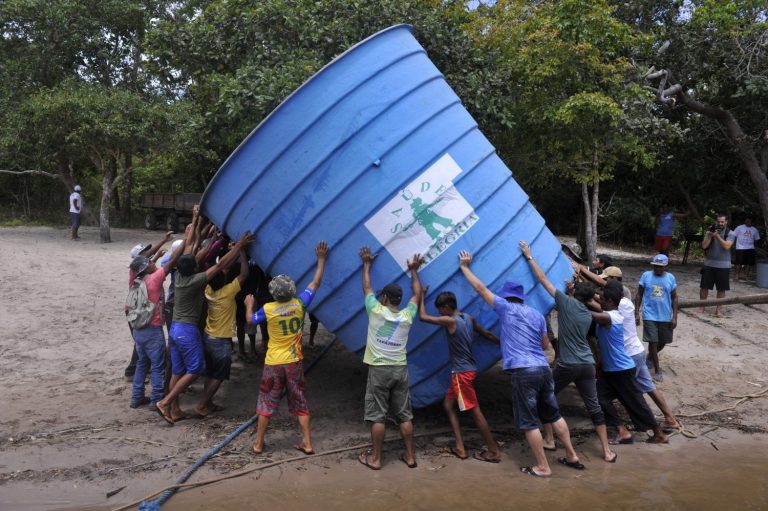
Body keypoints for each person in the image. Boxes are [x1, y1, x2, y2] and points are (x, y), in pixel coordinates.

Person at [458, 250, 584, 477]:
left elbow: (481, 289)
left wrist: (466, 268)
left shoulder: (505, 308)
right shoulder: (536, 315)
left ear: (506, 297)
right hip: (543, 368)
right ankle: (572, 455)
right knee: (554, 414)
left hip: (523, 372)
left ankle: (543, 467)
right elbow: (546, 345)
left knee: (528, 421)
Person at [520, 241, 617, 463]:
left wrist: (529, 256)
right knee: (593, 405)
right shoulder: (588, 313)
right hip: (587, 363)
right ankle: (606, 451)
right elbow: (593, 301)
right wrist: (576, 285)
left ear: (572, 294)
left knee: (546, 397)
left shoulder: (565, 303)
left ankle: (550, 439)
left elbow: (542, 280)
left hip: (568, 364)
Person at [154, 224, 251, 425]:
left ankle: (175, 409)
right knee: (196, 369)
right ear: (195, 269)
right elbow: (218, 265)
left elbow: (191, 249)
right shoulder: (195, 281)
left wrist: (203, 232)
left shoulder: (179, 275)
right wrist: (239, 245)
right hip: (187, 331)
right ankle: (166, 402)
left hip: (175, 329)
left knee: (178, 370)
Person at [245, 241, 329, 456]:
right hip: (294, 362)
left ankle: (258, 444)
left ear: (273, 294)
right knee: (300, 400)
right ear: (292, 291)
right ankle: (307, 443)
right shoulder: (300, 304)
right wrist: (321, 259)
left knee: (266, 402)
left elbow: (250, 321)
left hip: (273, 362)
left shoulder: (269, 309)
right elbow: (316, 283)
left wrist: (248, 304)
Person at [581, 269, 680, 436]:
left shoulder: (620, 306)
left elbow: (598, 306)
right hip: (636, 351)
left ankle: (636, 428)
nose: (601, 295)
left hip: (627, 356)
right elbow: (597, 301)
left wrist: (581, 271)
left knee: (628, 393)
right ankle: (669, 419)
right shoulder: (623, 302)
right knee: (648, 387)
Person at [357, 246, 423, 471]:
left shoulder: (375, 310)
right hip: (400, 369)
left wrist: (367, 264)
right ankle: (411, 456)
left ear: (384, 297)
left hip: (379, 369)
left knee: (378, 416)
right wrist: (414, 271)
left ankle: (376, 459)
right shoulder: (407, 315)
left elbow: (366, 287)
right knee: (404, 415)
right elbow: (417, 294)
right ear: (398, 300)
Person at [418, 287, 502, 463]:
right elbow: (486, 334)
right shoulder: (468, 318)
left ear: (447, 307)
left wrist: (420, 295)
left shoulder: (450, 321)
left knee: (475, 411)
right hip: (467, 370)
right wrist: (503, 343)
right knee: (448, 405)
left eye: (440, 309)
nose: (440, 312)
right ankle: (460, 447)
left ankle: (493, 451)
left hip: (461, 374)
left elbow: (423, 317)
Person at [590, 283, 668, 445]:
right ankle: (622, 430)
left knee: (634, 401)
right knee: (599, 398)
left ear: (611, 300)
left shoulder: (613, 316)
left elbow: (590, 314)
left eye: (603, 299)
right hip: (612, 368)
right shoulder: (610, 311)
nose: (600, 302)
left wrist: (571, 304)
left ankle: (658, 433)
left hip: (621, 368)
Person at [127, 237, 186, 411]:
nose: (154, 264)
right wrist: (187, 240)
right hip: (152, 329)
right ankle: (156, 400)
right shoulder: (154, 280)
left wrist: (157, 256)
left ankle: (136, 397)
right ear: (147, 268)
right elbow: (173, 261)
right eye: (150, 263)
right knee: (159, 366)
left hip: (138, 329)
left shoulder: (135, 282)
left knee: (142, 363)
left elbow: (152, 265)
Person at [195, 245, 250, 417]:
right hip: (221, 340)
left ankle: (208, 403)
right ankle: (202, 405)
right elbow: (244, 275)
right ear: (224, 282)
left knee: (211, 373)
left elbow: (222, 269)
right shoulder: (227, 293)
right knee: (219, 375)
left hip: (208, 337)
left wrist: (231, 250)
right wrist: (241, 251)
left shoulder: (209, 290)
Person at [635, 254, 679, 382]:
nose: (658, 268)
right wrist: (637, 313)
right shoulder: (646, 276)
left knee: (663, 341)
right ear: (653, 265)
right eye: (656, 266)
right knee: (653, 342)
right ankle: (657, 370)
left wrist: (674, 316)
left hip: (665, 315)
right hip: (649, 315)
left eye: (661, 267)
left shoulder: (670, 278)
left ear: (665, 266)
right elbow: (639, 295)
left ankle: (650, 358)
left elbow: (675, 297)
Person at [699, 214, 736, 317]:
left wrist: (717, 236)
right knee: (704, 287)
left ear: (726, 222)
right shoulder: (709, 232)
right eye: (719, 221)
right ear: (716, 221)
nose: (720, 223)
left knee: (721, 289)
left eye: (722, 222)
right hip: (709, 264)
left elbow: (727, 246)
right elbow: (704, 246)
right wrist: (710, 235)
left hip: (723, 265)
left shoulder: (731, 233)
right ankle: (702, 307)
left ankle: (718, 310)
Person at [733, 216, 761, 281]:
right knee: (738, 262)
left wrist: (753, 247)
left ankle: (746, 275)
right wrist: (734, 245)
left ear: (751, 222)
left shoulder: (754, 229)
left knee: (748, 263)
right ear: (745, 221)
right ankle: (737, 275)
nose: (748, 222)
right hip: (740, 248)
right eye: (747, 221)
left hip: (750, 248)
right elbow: (734, 235)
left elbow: (756, 239)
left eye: (749, 221)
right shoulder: (739, 227)